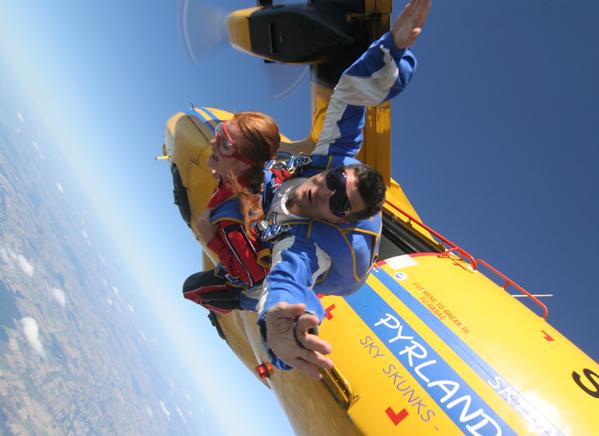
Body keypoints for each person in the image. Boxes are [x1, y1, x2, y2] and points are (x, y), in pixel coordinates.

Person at [259, 0, 432, 379]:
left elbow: (291, 274)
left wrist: (280, 322)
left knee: (229, 286)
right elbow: (349, 96)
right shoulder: (332, 159)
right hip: (276, 194)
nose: (324, 191)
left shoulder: (311, 243)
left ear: (341, 221)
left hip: (322, 264)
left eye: (338, 204)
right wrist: (392, 48)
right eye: (335, 182)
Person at [182, 112, 280, 312]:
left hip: (259, 279)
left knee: (192, 289)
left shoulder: (233, 221)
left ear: (244, 164)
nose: (212, 141)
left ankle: (240, 302)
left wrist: (211, 239)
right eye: (219, 133)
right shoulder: (250, 175)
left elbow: (252, 276)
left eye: (225, 144)